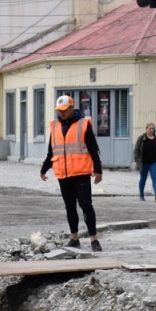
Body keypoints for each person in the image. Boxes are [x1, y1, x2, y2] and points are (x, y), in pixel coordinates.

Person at [40, 95, 104, 252]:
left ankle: (94, 239)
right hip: (63, 174)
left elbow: (93, 149)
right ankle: (74, 238)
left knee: (86, 205)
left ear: (71, 108)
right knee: (69, 206)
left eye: (64, 110)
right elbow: (51, 150)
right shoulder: (55, 126)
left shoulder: (83, 124)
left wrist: (98, 170)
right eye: (59, 110)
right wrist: (44, 168)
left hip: (81, 172)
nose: (61, 113)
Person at [133, 123, 156, 202]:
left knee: (155, 178)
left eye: (153, 129)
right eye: (150, 128)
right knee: (143, 178)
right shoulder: (141, 138)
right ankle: (141, 195)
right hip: (143, 162)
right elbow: (136, 150)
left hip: (154, 162)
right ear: (146, 129)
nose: (151, 130)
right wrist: (137, 160)